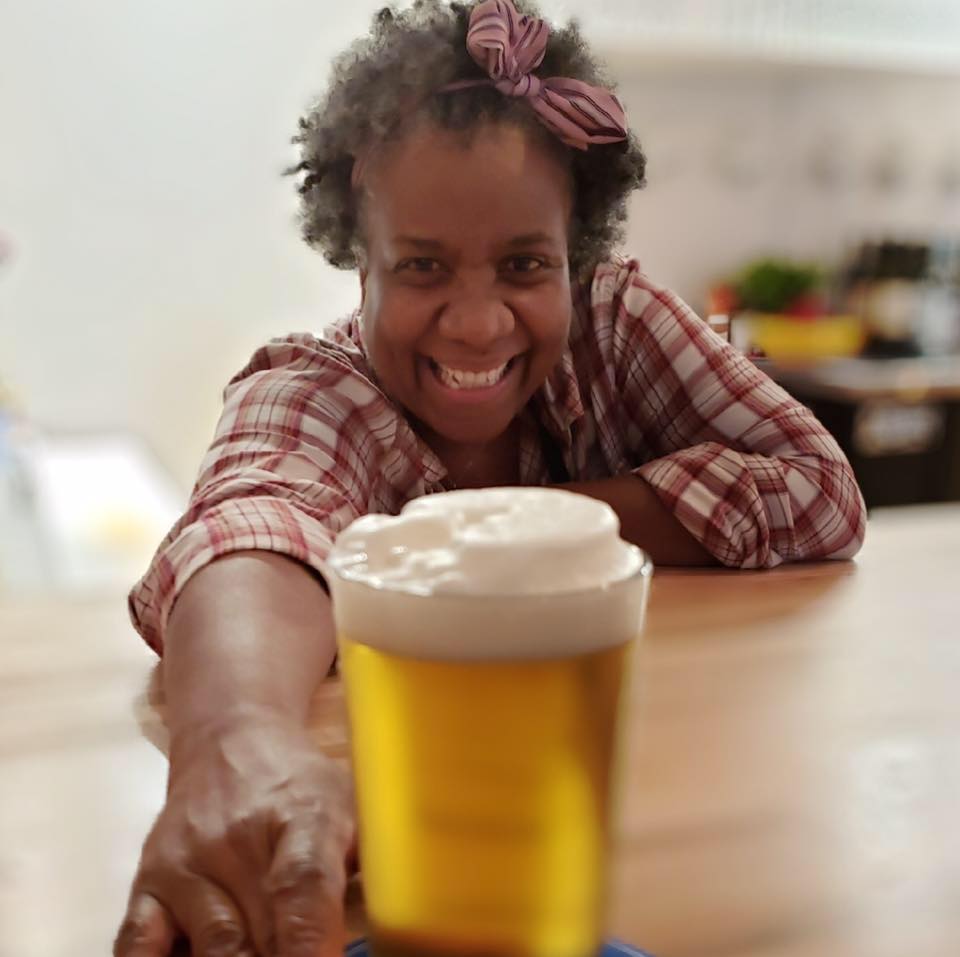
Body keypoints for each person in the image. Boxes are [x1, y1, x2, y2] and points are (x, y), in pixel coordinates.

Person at [115, 1, 867, 955]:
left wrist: (508, 534)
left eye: (525, 264)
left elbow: (819, 484)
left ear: (578, 253)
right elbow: (253, 521)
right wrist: (237, 743)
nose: (477, 324)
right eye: (422, 266)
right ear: (362, 264)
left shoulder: (617, 324)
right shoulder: (319, 388)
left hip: (634, 830)